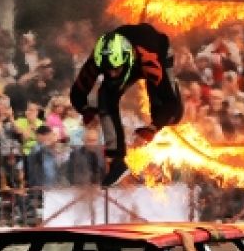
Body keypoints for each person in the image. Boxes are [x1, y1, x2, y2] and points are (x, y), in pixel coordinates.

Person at [69, 23, 183, 185]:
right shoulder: (97, 59)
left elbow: (171, 104)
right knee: (105, 96)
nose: (112, 74)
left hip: (158, 54)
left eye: (116, 69)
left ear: (127, 58)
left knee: (171, 115)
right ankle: (117, 161)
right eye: (107, 70)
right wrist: (86, 110)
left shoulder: (150, 59)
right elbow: (77, 93)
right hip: (129, 59)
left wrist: (152, 128)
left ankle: (165, 101)